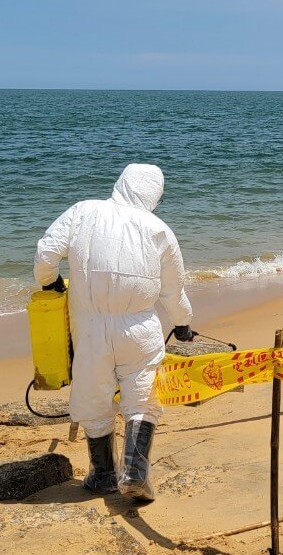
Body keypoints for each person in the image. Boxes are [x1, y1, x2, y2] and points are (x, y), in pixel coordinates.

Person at [33, 163, 194, 502]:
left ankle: (103, 476)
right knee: (142, 396)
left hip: (90, 326)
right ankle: (135, 471)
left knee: (93, 396)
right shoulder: (159, 229)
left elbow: (46, 252)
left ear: (121, 183)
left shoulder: (83, 211)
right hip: (139, 328)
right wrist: (182, 323)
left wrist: (49, 282)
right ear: (154, 195)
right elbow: (173, 289)